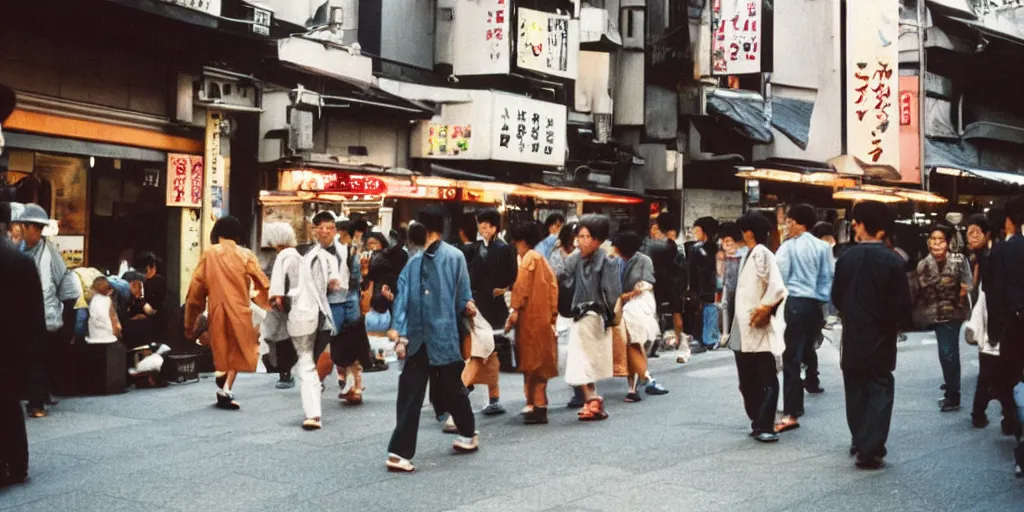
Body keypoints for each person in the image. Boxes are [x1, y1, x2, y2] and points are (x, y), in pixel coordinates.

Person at [386, 206, 480, 472]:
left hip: (439, 336)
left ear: (423, 229)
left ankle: (468, 431)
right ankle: (399, 451)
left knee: (450, 390)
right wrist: (399, 332)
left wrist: (398, 330)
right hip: (427, 337)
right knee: (412, 392)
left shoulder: (448, 257)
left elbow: (462, 295)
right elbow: (405, 297)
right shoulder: (420, 261)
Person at [832, 202, 912, 469]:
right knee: (879, 387)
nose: (854, 226)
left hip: (854, 333)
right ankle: (871, 445)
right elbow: (903, 305)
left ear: (865, 225)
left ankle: (860, 439)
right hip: (882, 335)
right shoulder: (894, 261)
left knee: (854, 388)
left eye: (857, 221)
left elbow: (837, 298)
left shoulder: (846, 258)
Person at [183, 216, 270, 410]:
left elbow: (196, 290)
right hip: (241, 309)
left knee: (222, 347)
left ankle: (222, 376)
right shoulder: (246, 254)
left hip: (217, 308)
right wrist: (267, 302)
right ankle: (226, 386)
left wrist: (191, 320)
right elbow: (261, 282)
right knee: (238, 350)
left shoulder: (209, 254)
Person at [264, 222, 336, 430]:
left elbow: (277, 297)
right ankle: (314, 402)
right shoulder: (302, 257)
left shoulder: (283, 258)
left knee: (305, 363)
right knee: (309, 361)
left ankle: (313, 414)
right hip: (319, 316)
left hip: (298, 317)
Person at [726, 212, 787, 443]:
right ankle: (758, 421)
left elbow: (778, 288)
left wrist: (765, 308)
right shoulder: (747, 255)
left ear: (749, 232)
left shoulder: (762, 253)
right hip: (743, 327)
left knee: (765, 378)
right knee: (748, 380)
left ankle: (765, 424)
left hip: (756, 326)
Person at [774, 204, 834, 433]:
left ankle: (792, 407)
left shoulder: (787, 248)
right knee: (807, 349)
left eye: (790, 222)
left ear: (800, 224)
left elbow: (781, 277)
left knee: (791, 357)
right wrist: (821, 302)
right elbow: (828, 277)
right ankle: (810, 380)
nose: (787, 226)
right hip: (814, 305)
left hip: (794, 302)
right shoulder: (822, 247)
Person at [15, 203, 77, 417]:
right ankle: (38, 394)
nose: (28, 231)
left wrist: (68, 316)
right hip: (24, 314)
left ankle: (37, 402)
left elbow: (66, 283)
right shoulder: (20, 250)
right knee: (31, 358)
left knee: (36, 357)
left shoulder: (50, 252)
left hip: (44, 315)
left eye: (31, 228)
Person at [558, 214, 621, 421]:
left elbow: (612, 293)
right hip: (579, 315)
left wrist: (613, 316)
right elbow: (561, 275)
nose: (581, 241)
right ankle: (592, 400)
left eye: (586, 237)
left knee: (579, 358)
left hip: (594, 315)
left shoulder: (607, 261)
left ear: (598, 240)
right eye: (580, 236)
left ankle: (592, 398)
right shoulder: (575, 258)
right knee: (584, 359)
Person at [964, 214, 1016, 433]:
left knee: (993, 372)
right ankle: (1004, 417)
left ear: (988, 234)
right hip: (992, 324)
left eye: (976, 233)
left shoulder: (991, 255)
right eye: (968, 234)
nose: (971, 237)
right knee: (996, 372)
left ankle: (991, 415)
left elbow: (992, 294)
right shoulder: (983, 256)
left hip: (994, 322)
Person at [504, 221, 559, 424]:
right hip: (543, 320)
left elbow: (520, 289)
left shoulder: (528, 260)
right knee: (540, 367)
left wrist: (514, 310)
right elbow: (554, 290)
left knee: (531, 365)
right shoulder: (542, 261)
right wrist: (553, 316)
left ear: (522, 242)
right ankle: (539, 405)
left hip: (530, 322)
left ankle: (537, 407)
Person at [914, 224, 973, 412]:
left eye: (941, 240)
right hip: (935, 313)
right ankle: (951, 387)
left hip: (954, 313)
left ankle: (954, 393)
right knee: (946, 353)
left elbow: (968, 283)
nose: (936, 244)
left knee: (948, 352)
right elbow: (921, 290)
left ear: (948, 243)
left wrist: (963, 290)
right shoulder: (923, 264)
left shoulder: (959, 261)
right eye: (933, 240)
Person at [985, 196, 1024, 477]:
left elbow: (992, 294)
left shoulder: (1000, 252)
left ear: (1009, 220)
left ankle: (1015, 426)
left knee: (1011, 380)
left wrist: (995, 333)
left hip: (1013, 328)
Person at [469, 209, 517, 415]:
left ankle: (492, 396)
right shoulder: (477, 248)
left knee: (491, 352)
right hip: (480, 304)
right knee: (480, 350)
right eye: (481, 225)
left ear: (495, 227)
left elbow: (513, 275)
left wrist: (505, 288)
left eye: (487, 225)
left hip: (495, 306)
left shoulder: (505, 249)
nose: (483, 229)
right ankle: (483, 392)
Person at [611, 231, 665, 402]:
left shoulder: (643, 260)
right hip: (623, 304)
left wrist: (633, 292)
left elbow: (644, 285)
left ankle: (637, 384)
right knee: (630, 343)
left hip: (639, 305)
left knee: (633, 341)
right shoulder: (615, 262)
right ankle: (643, 380)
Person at [644, 213, 689, 364]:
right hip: (673, 284)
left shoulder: (654, 246)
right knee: (676, 313)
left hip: (657, 283)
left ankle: (654, 341)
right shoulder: (672, 245)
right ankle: (679, 340)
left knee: (654, 313)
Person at [689, 216, 721, 352]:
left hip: (709, 287)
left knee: (709, 312)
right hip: (702, 287)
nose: (695, 234)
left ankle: (708, 339)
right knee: (702, 312)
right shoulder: (696, 248)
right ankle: (704, 339)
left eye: (697, 231)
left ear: (705, 232)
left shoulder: (714, 249)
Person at [85, 277, 121, 344]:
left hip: (94, 336)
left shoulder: (92, 300)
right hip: (109, 337)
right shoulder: (107, 300)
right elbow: (112, 318)